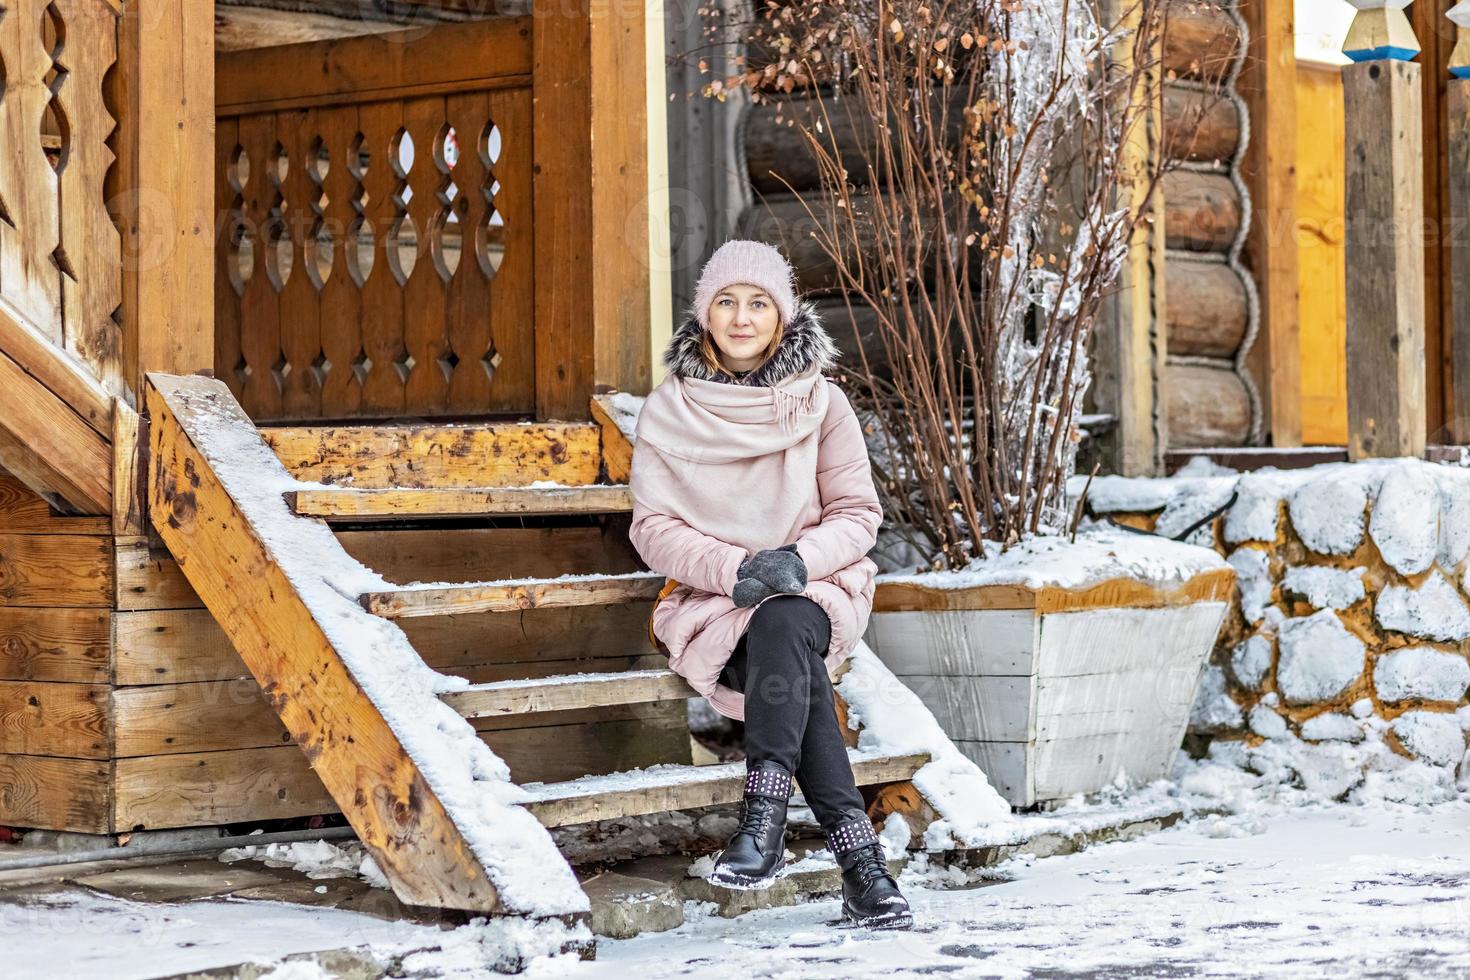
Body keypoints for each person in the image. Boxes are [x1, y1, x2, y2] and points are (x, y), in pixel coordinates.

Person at [628, 239, 912, 930]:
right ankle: (862, 869)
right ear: (705, 315)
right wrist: (736, 569)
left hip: (816, 587)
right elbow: (653, 528)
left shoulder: (823, 404)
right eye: (726, 302)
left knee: (787, 620)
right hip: (712, 602)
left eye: (758, 303)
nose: (742, 317)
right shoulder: (669, 411)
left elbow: (857, 514)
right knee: (794, 663)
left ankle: (763, 822)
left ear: (783, 317)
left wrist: (797, 562)